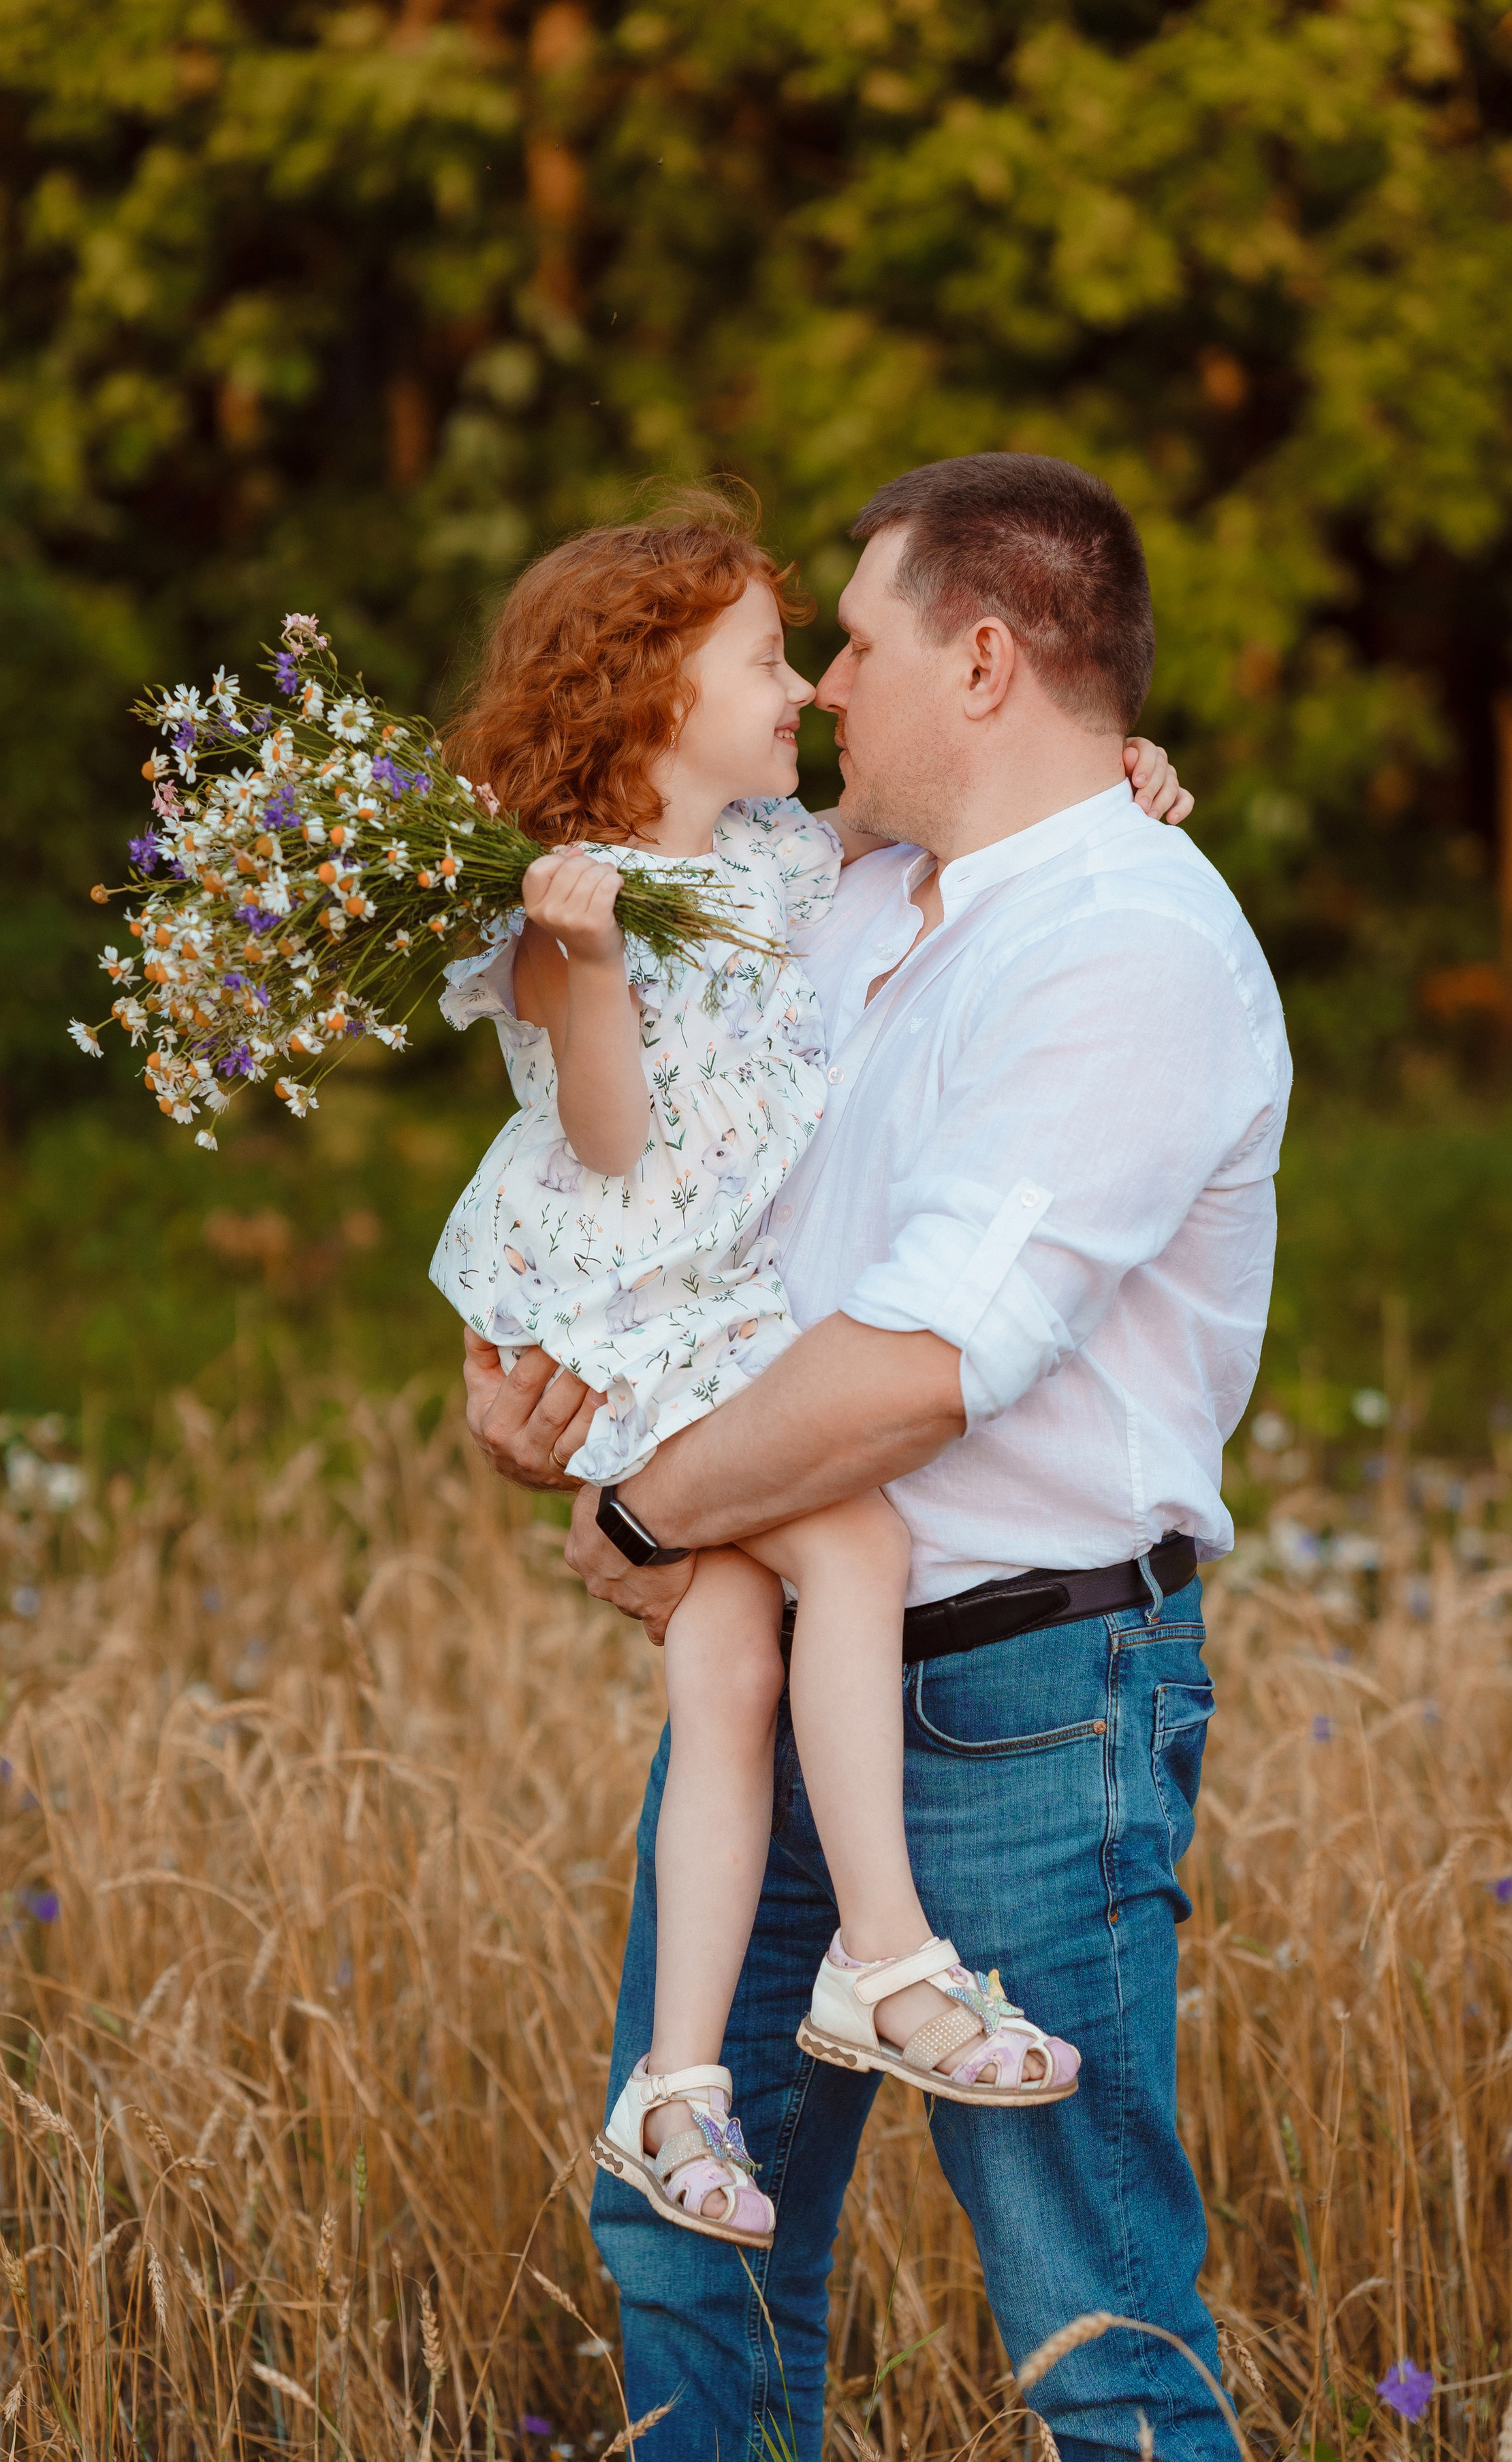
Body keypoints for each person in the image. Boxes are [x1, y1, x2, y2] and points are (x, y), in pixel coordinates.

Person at [466, 454, 1291, 2462]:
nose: (824, 689)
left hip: (1028, 1694)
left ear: (991, 661)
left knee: (1087, 2317)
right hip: (797, 1659)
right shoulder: (842, 899)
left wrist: (648, 1508)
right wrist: (559, 1412)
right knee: (688, 2242)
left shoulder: (1128, 944)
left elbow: (925, 1365)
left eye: (856, 642)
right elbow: (668, 1214)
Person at [432, 506, 1184, 2252]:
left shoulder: (780, 859)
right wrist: (598, 961)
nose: (810, 689)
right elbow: (613, 1147)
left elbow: (961, 800)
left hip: (721, 1337)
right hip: (645, 1312)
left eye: (812, 649)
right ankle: (886, 1951)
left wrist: (1117, 766)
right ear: (646, 704)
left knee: (723, 1669)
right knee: (844, 1554)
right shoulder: (566, 918)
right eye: (770, 662)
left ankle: (675, 2082)